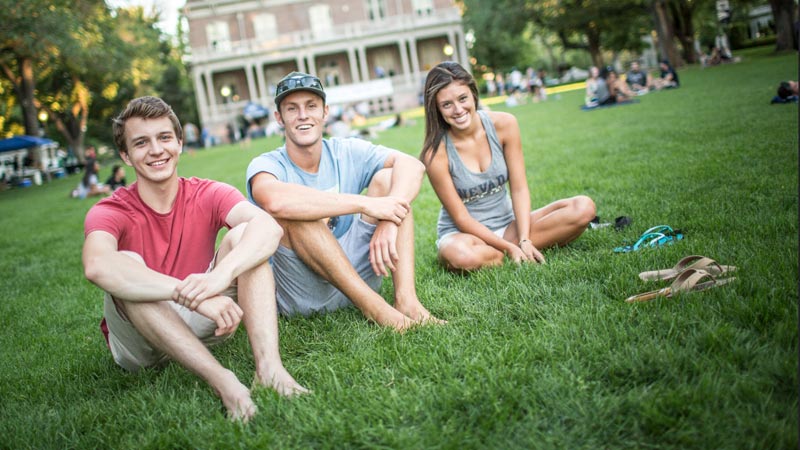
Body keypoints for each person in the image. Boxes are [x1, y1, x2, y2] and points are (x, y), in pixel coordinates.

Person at [82, 96, 306, 423]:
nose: (156, 150)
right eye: (141, 143)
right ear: (125, 156)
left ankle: (270, 368)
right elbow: (98, 266)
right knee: (126, 264)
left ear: (180, 143)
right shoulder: (110, 210)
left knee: (248, 238)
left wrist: (219, 277)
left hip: (205, 317)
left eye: (164, 138)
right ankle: (224, 381)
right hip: (140, 342)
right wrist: (188, 295)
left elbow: (268, 227)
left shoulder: (207, 192)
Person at [247, 71, 442, 331]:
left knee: (387, 180)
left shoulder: (344, 150)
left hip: (357, 270)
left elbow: (412, 165)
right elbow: (274, 201)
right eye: (292, 109)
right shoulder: (267, 164)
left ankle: (406, 301)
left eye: (311, 106)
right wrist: (364, 204)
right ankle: (377, 310)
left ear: (325, 112)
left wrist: (389, 220)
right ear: (279, 118)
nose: (303, 115)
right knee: (294, 215)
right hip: (304, 292)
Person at [419, 61, 596, 271]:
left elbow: (519, 188)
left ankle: (500, 255)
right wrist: (510, 248)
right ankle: (507, 254)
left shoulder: (504, 124)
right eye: (447, 104)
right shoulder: (434, 153)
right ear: (437, 109)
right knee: (459, 255)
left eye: (463, 98)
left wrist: (523, 239)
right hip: (466, 237)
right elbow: (461, 218)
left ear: (473, 94)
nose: (458, 110)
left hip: (509, 226)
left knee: (583, 208)